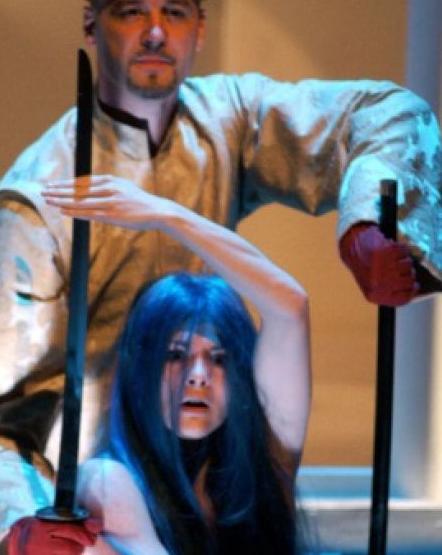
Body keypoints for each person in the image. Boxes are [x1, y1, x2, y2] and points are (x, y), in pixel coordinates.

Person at [0, 0, 442, 553]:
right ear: (92, 24)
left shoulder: (225, 120)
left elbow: (389, 115)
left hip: (219, 483)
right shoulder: (38, 205)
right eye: (132, 11)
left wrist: (370, 223)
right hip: (102, 510)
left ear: (200, 29)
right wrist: (15, 532)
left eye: (175, 12)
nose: (156, 33)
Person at [46, 175, 311, 554]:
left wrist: (167, 216)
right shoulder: (107, 482)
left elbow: (290, 307)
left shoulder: (267, 462)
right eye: (175, 356)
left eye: (218, 360)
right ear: (142, 371)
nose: (198, 377)